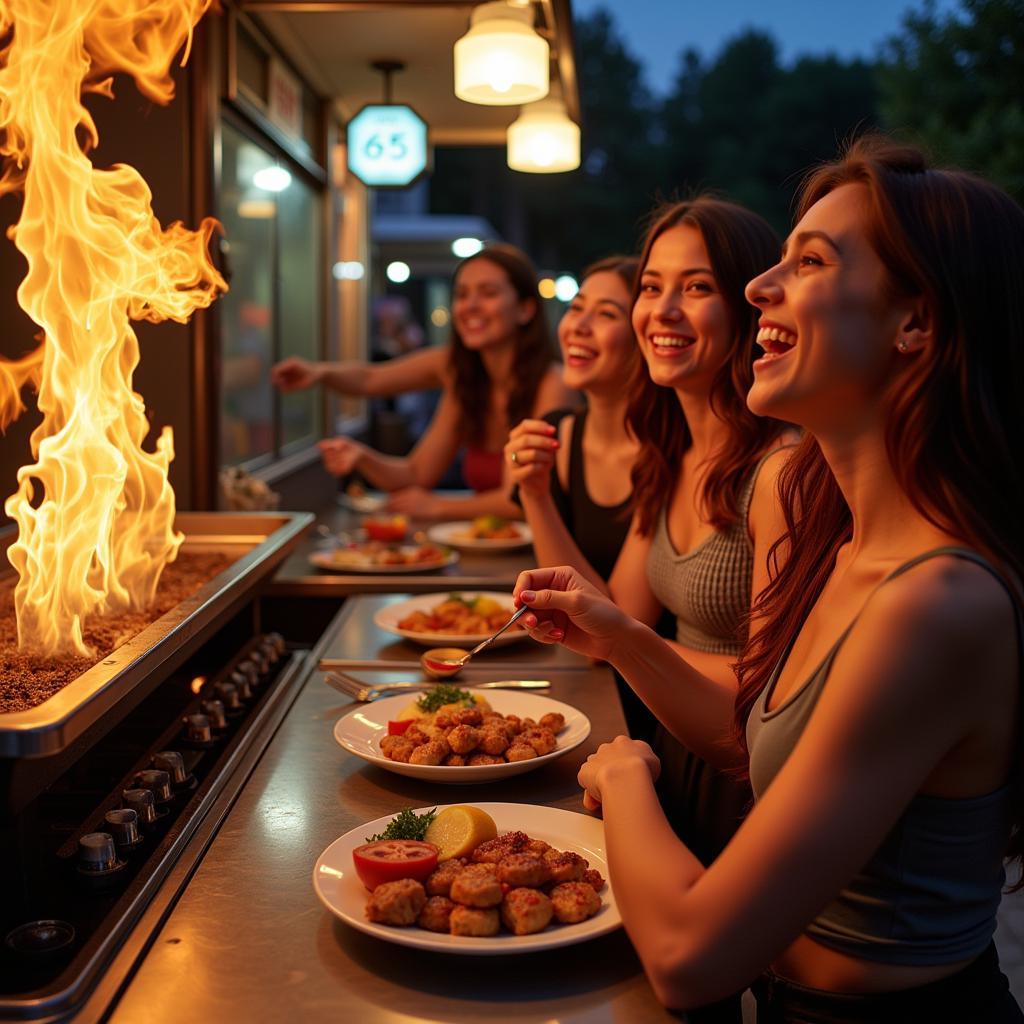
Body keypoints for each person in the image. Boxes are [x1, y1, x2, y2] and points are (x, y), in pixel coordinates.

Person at [512, 136, 1024, 1021]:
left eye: (811, 261)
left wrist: (628, 775)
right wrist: (622, 636)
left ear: (917, 323)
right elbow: (747, 733)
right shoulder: (851, 546)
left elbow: (688, 957)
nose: (759, 289)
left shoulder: (936, 600)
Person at [507, 199, 792, 870]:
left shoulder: (780, 468)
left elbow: (772, 705)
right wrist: (536, 496)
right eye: (652, 287)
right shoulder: (672, 449)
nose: (662, 310)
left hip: (743, 789)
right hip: (670, 760)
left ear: (751, 307)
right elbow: (620, 618)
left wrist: (622, 640)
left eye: (696, 288)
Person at [300, 244, 571, 519]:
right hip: (488, 546)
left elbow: (524, 499)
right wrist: (360, 455)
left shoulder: (552, 384)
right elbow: (416, 474)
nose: (470, 306)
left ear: (525, 309)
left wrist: (438, 506)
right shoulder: (465, 378)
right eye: (462, 294)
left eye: (488, 293)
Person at [504, 255, 641, 583]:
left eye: (607, 314)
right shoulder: (557, 433)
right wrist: (533, 494)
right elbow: (562, 589)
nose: (577, 326)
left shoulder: (671, 448)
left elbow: (616, 619)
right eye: (577, 308)